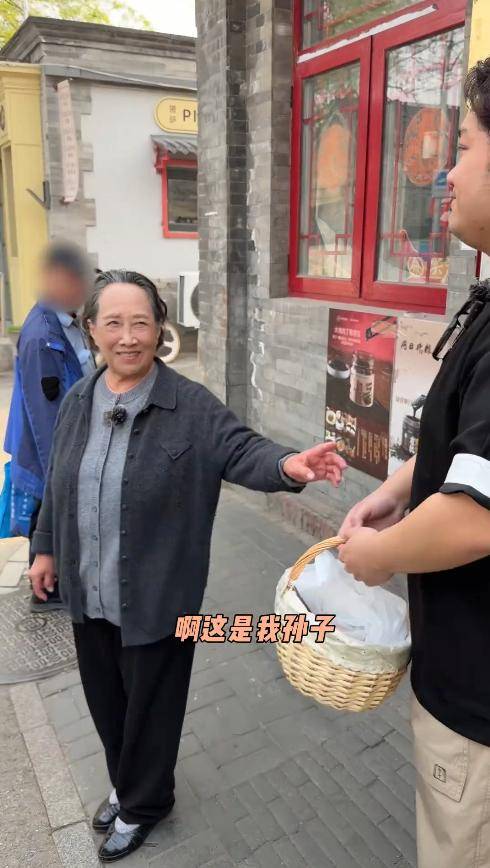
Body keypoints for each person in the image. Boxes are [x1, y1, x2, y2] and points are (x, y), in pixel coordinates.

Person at [28, 269, 346, 863]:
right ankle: (125, 785)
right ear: (92, 328)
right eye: (113, 323)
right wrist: (45, 549)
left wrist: (287, 465)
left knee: (152, 708)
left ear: (160, 328)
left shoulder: (189, 405)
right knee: (106, 702)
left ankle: (145, 804)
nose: (128, 337)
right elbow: (57, 479)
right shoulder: (80, 398)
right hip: (88, 590)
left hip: (158, 595)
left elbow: (241, 448)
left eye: (141, 323)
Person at [338, 58, 490, 868]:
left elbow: (473, 520)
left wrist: (378, 557)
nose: (446, 172)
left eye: (463, 146)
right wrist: (398, 491)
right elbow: (468, 450)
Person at [4, 240, 95, 612]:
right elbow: (46, 416)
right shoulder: (43, 336)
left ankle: (51, 584)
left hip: (62, 440)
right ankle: (45, 593)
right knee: (46, 513)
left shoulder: (66, 320)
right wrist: (59, 468)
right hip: (48, 447)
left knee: (50, 513)